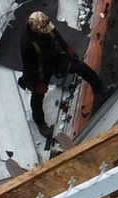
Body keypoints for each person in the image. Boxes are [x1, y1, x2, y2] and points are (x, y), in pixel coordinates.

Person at [15, 9, 107, 148]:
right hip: (40, 69)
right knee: (38, 96)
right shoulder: (27, 42)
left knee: (80, 67)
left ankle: (99, 88)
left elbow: (55, 34)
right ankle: (39, 121)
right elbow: (29, 66)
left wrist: (67, 48)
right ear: (36, 30)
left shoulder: (44, 22)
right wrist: (37, 84)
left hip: (54, 57)